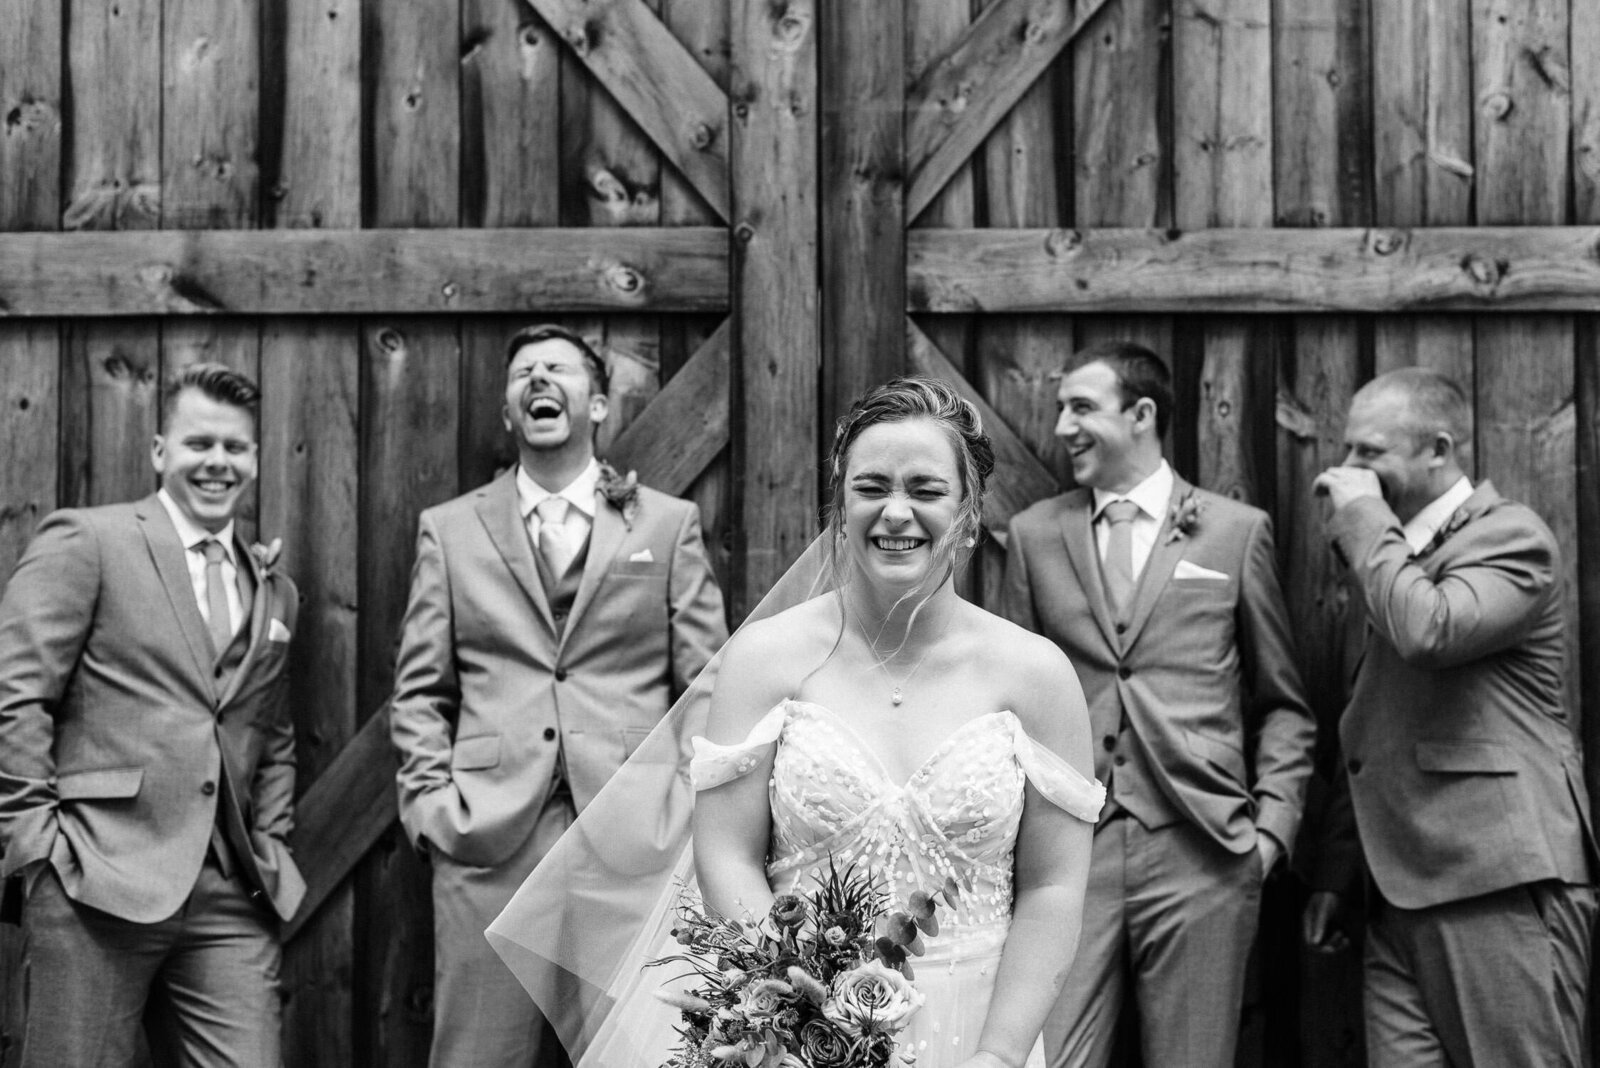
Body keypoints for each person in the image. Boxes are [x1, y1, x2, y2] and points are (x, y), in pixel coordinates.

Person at [691, 376, 1102, 1068]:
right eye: (872, 487)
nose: (895, 512)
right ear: (840, 505)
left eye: (926, 490)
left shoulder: (1037, 675)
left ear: (970, 515)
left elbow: (1054, 888)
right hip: (799, 1041)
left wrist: (999, 1055)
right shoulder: (763, 658)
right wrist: (794, 1014)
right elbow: (725, 853)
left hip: (979, 1030)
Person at [389, 323, 728, 1068]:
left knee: (645, 1057)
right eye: (523, 374)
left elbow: (707, 685)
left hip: (635, 840)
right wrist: (431, 810)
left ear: (598, 404)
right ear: (510, 413)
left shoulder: (667, 526)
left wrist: (681, 812)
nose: (539, 380)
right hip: (488, 843)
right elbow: (419, 691)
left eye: (558, 370)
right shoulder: (449, 532)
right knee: (478, 1058)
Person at [1001, 342, 1315, 1068]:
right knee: (1052, 1058)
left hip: (1203, 848)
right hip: (1068, 853)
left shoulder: (1236, 532)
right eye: (1059, 410)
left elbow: (1285, 703)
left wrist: (1268, 834)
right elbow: (1007, 706)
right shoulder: (1034, 535)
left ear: (1142, 414)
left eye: (1081, 407)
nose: (1062, 427)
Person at [0, 363, 304, 1067]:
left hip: (229, 894)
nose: (218, 462)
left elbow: (274, 731)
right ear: (160, 451)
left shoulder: (273, 590)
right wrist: (37, 847)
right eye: (199, 444)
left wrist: (273, 841)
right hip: (93, 880)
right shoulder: (90, 541)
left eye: (235, 448)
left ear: (255, 459)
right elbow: (15, 696)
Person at [1302, 367, 1594, 1067]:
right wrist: (1337, 878)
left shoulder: (1510, 537)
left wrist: (1363, 519)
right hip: (1393, 895)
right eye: (1347, 453)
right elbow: (1369, 728)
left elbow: (1429, 630)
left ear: (1438, 449)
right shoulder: (1389, 561)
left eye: (1370, 454)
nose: (1349, 473)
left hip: (1494, 881)